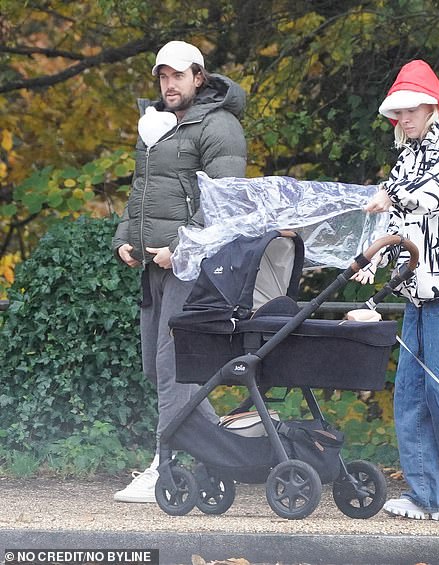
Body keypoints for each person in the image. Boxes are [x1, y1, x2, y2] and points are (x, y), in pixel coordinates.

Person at [354, 59, 439, 521]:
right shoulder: (406, 156)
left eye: (411, 110)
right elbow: (399, 224)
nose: (404, 119)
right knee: (411, 395)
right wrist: (373, 258)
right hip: (418, 292)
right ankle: (428, 497)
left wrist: (393, 195)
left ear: (432, 106)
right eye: (398, 113)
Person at [111, 40, 247, 502]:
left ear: (198, 78)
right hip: (154, 263)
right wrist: (124, 237)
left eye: (178, 76)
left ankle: (163, 464)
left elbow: (223, 204)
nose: (169, 85)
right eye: (163, 77)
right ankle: (220, 453)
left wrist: (180, 247)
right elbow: (141, 189)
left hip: (195, 266)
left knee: (173, 366)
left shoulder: (220, 126)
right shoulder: (155, 126)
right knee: (158, 367)